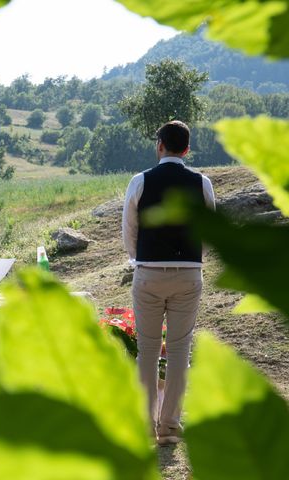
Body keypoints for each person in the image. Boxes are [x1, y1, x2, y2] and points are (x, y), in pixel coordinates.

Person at [121, 120, 215, 446]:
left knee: (146, 351)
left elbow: (129, 231)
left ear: (159, 144)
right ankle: (170, 428)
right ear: (187, 149)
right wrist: (193, 259)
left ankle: (146, 425)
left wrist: (141, 259)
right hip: (189, 273)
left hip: (148, 273)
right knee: (179, 351)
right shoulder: (202, 183)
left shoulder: (140, 181)